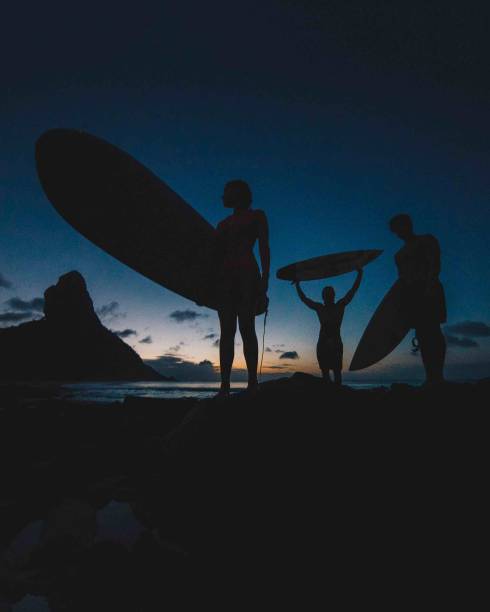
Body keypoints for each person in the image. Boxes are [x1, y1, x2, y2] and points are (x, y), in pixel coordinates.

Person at [215, 180, 270, 397]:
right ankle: (224, 386)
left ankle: (252, 383)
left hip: (247, 275)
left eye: (226, 191)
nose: (222, 196)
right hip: (225, 278)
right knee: (227, 331)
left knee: (247, 328)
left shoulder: (257, 216)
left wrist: (265, 279)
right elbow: (213, 258)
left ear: (238, 193)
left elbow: (264, 247)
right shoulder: (222, 224)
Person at [389, 213, 446, 384]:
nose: (399, 232)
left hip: (429, 288)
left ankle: (438, 377)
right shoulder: (398, 255)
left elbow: (435, 264)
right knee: (421, 334)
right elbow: (402, 280)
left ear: (409, 224)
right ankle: (430, 377)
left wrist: (430, 287)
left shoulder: (427, 240)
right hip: (411, 295)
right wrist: (402, 304)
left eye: (401, 226)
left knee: (433, 331)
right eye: (396, 230)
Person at [294, 269, 363, 385]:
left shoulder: (336, 306)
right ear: (324, 296)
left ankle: (334, 396)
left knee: (335, 373)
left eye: (328, 294)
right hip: (324, 344)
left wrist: (360, 275)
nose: (327, 296)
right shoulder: (323, 307)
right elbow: (304, 299)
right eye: (326, 294)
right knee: (327, 374)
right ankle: (330, 397)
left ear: (332, 296)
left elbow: (353, 291)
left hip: (333, 344)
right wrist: (297, 285)